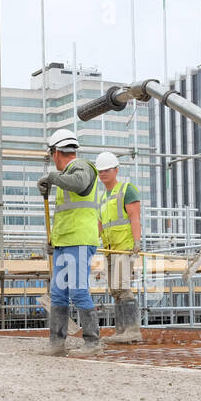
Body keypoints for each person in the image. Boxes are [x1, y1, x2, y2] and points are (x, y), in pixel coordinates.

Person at [37, 129, 101, 357]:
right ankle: (57, 343)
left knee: (78, 290)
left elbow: (80, 183)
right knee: (58, 292)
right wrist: (53, 242)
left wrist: (51, 178)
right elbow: (66, 215)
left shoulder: (80, 166)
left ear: (55, 153)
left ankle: (93, 342)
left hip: (80, 241)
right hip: (66, 242)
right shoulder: (66, 174)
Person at [94, 151, 144, 344]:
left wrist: (136, 243)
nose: (103, 174)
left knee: (122, 287)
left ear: (116, 170)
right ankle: (122, 331)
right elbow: (100, 224)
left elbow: (134, 218)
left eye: (107, 170)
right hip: (109, 249)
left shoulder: (127, 190)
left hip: (124, 247)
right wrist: (92, 242)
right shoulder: (103, 197)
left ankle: (132, 331)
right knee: (115, 289)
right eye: (100, 171)